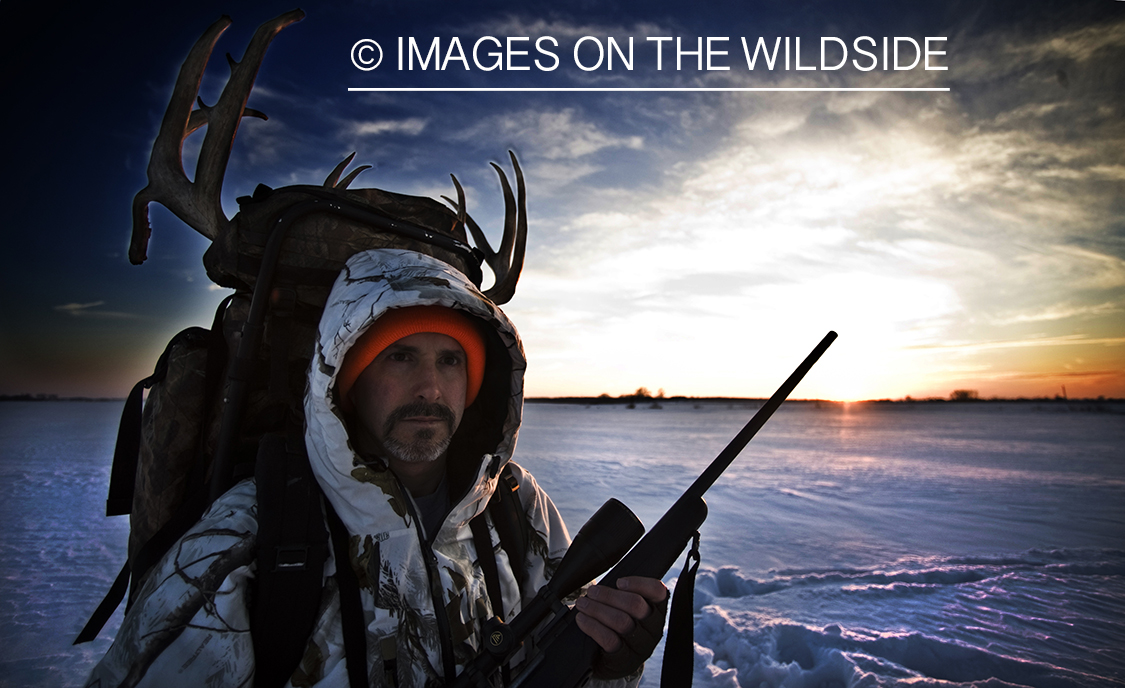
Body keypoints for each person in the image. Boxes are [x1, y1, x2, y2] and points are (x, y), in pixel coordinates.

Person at [86, 248, 667, 687]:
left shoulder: (517, 508)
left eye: (450, 360)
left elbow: (557, 665)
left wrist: (611, 659)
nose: (430, 388)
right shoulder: (247, 540)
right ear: (346, 377)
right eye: (400, 356)